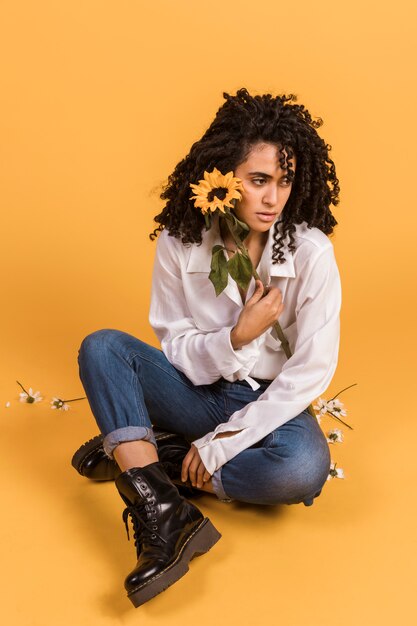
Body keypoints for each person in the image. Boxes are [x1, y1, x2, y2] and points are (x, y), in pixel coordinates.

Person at [72, 87, 341, 608]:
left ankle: (151, 460)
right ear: (221, 178)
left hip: (266, 404)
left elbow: (309, 372)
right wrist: (238, 336)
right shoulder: (181, 242)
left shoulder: (312, 254)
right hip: (193, 390)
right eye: (258, 181)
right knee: (102, 348)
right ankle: (169, 518)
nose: (273, 199)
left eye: (284, 182)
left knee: (302, 470)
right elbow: (173, 346)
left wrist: (219, 444)